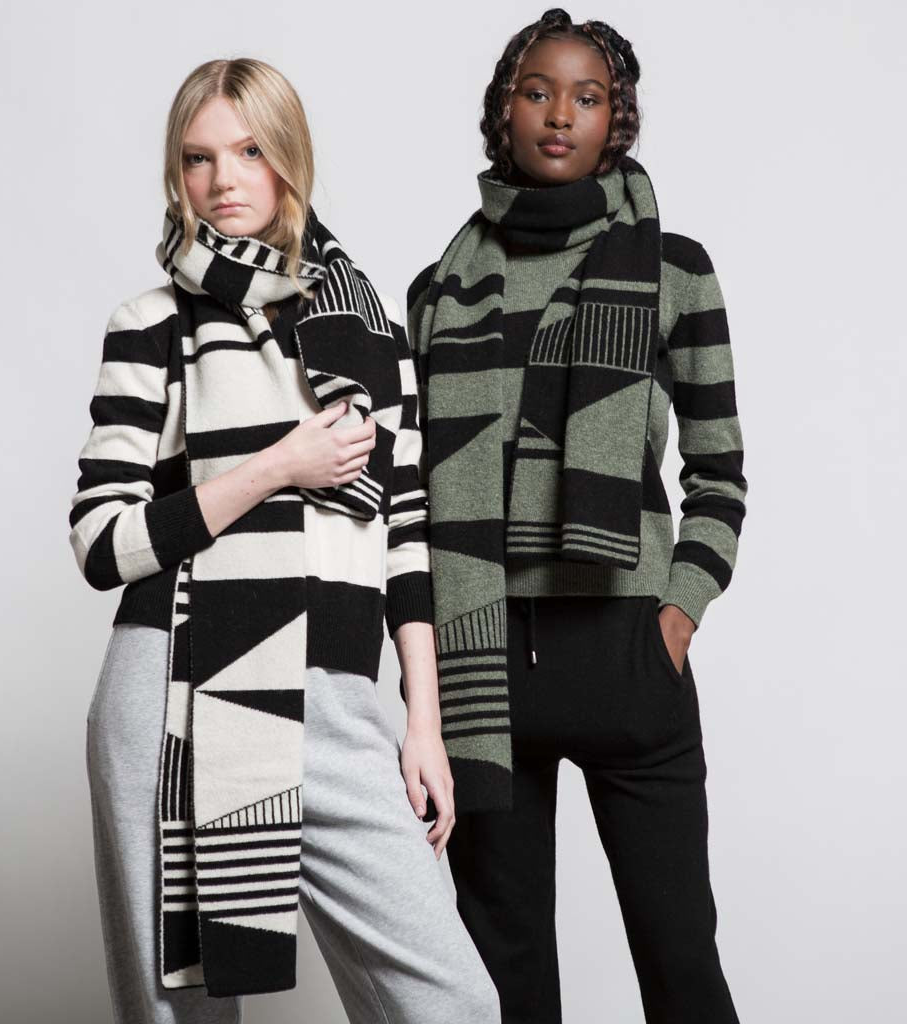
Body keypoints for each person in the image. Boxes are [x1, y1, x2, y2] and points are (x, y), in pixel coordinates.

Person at [69, 57, 500, 1024]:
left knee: (456, 1003)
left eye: (251, 151)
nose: (224, 180)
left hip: (336, 699)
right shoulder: (151, 327)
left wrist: (423, 725)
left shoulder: (371, 335)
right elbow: (101, 544)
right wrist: (275, 466)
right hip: (178, 690)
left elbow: (406, 534)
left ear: (290, 159)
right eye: (198, 158)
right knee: (181, 1012)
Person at [406, 10, 747, 1024]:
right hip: (484, 662)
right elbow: (410, 492)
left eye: (587, 98)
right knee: (504, 981)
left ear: (616, 119)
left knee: (681, 966)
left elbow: (720, 470)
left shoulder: (673, 268)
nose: (560, 115)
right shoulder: (439, 292)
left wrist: (677, 613)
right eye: (538, 92)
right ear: (503, 111)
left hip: (625, 645)